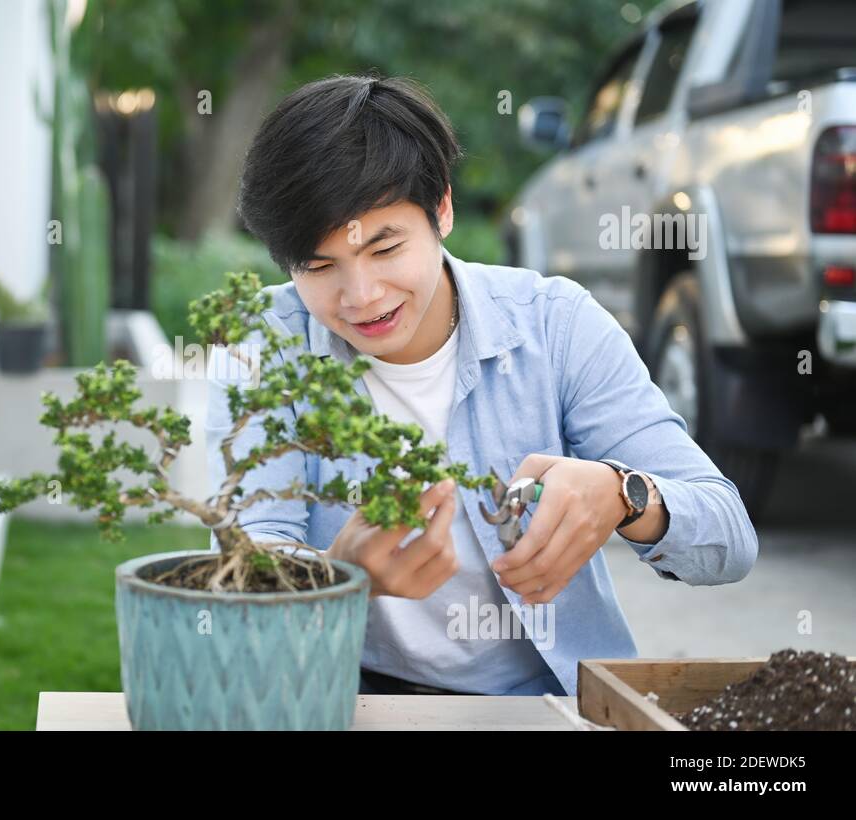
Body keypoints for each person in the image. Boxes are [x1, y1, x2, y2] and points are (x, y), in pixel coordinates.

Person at [205, 75, 758, 697]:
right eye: (319, 267)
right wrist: (335, 577)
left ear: (441, 208)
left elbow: (730, 538)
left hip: (546, 701)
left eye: (385, 249)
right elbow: (251, 556)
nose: (362, 297)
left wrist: (625, 495)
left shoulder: (555, 325)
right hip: (350, 695)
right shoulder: (262, 345)